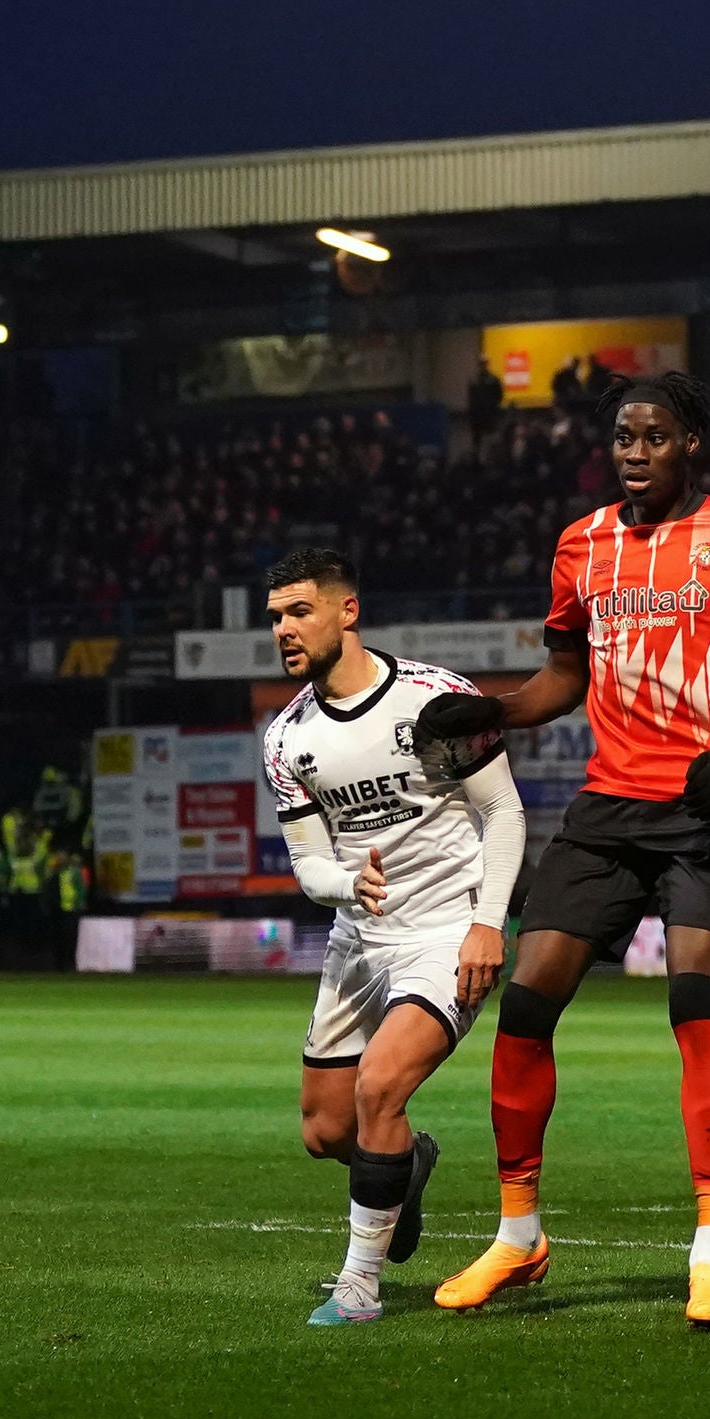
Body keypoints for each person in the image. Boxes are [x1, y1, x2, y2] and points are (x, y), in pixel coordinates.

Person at [424, 371, 710, 1329]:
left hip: (707, 811)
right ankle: (519, 1237)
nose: (633, 453)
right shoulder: (580, 545)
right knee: (523, 1008)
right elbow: (564, 673)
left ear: (692, 444)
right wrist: (496, 714)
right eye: (621, 439)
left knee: (694, 1008)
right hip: (607, 809)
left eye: (652, 437)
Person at [259, 548, 526, 1326]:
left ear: (348, 611)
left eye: (298, 611)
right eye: (275, 616)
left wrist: (487, 923)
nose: (283, 629)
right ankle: (407, 1163)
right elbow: (311, 864)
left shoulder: (436, 699)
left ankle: (358, 1290)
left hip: (447, 932)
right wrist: (348, 884)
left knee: (380, 1088)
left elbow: (502, 813)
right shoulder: (286, 739)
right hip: (359, 939)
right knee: (325, 1130)